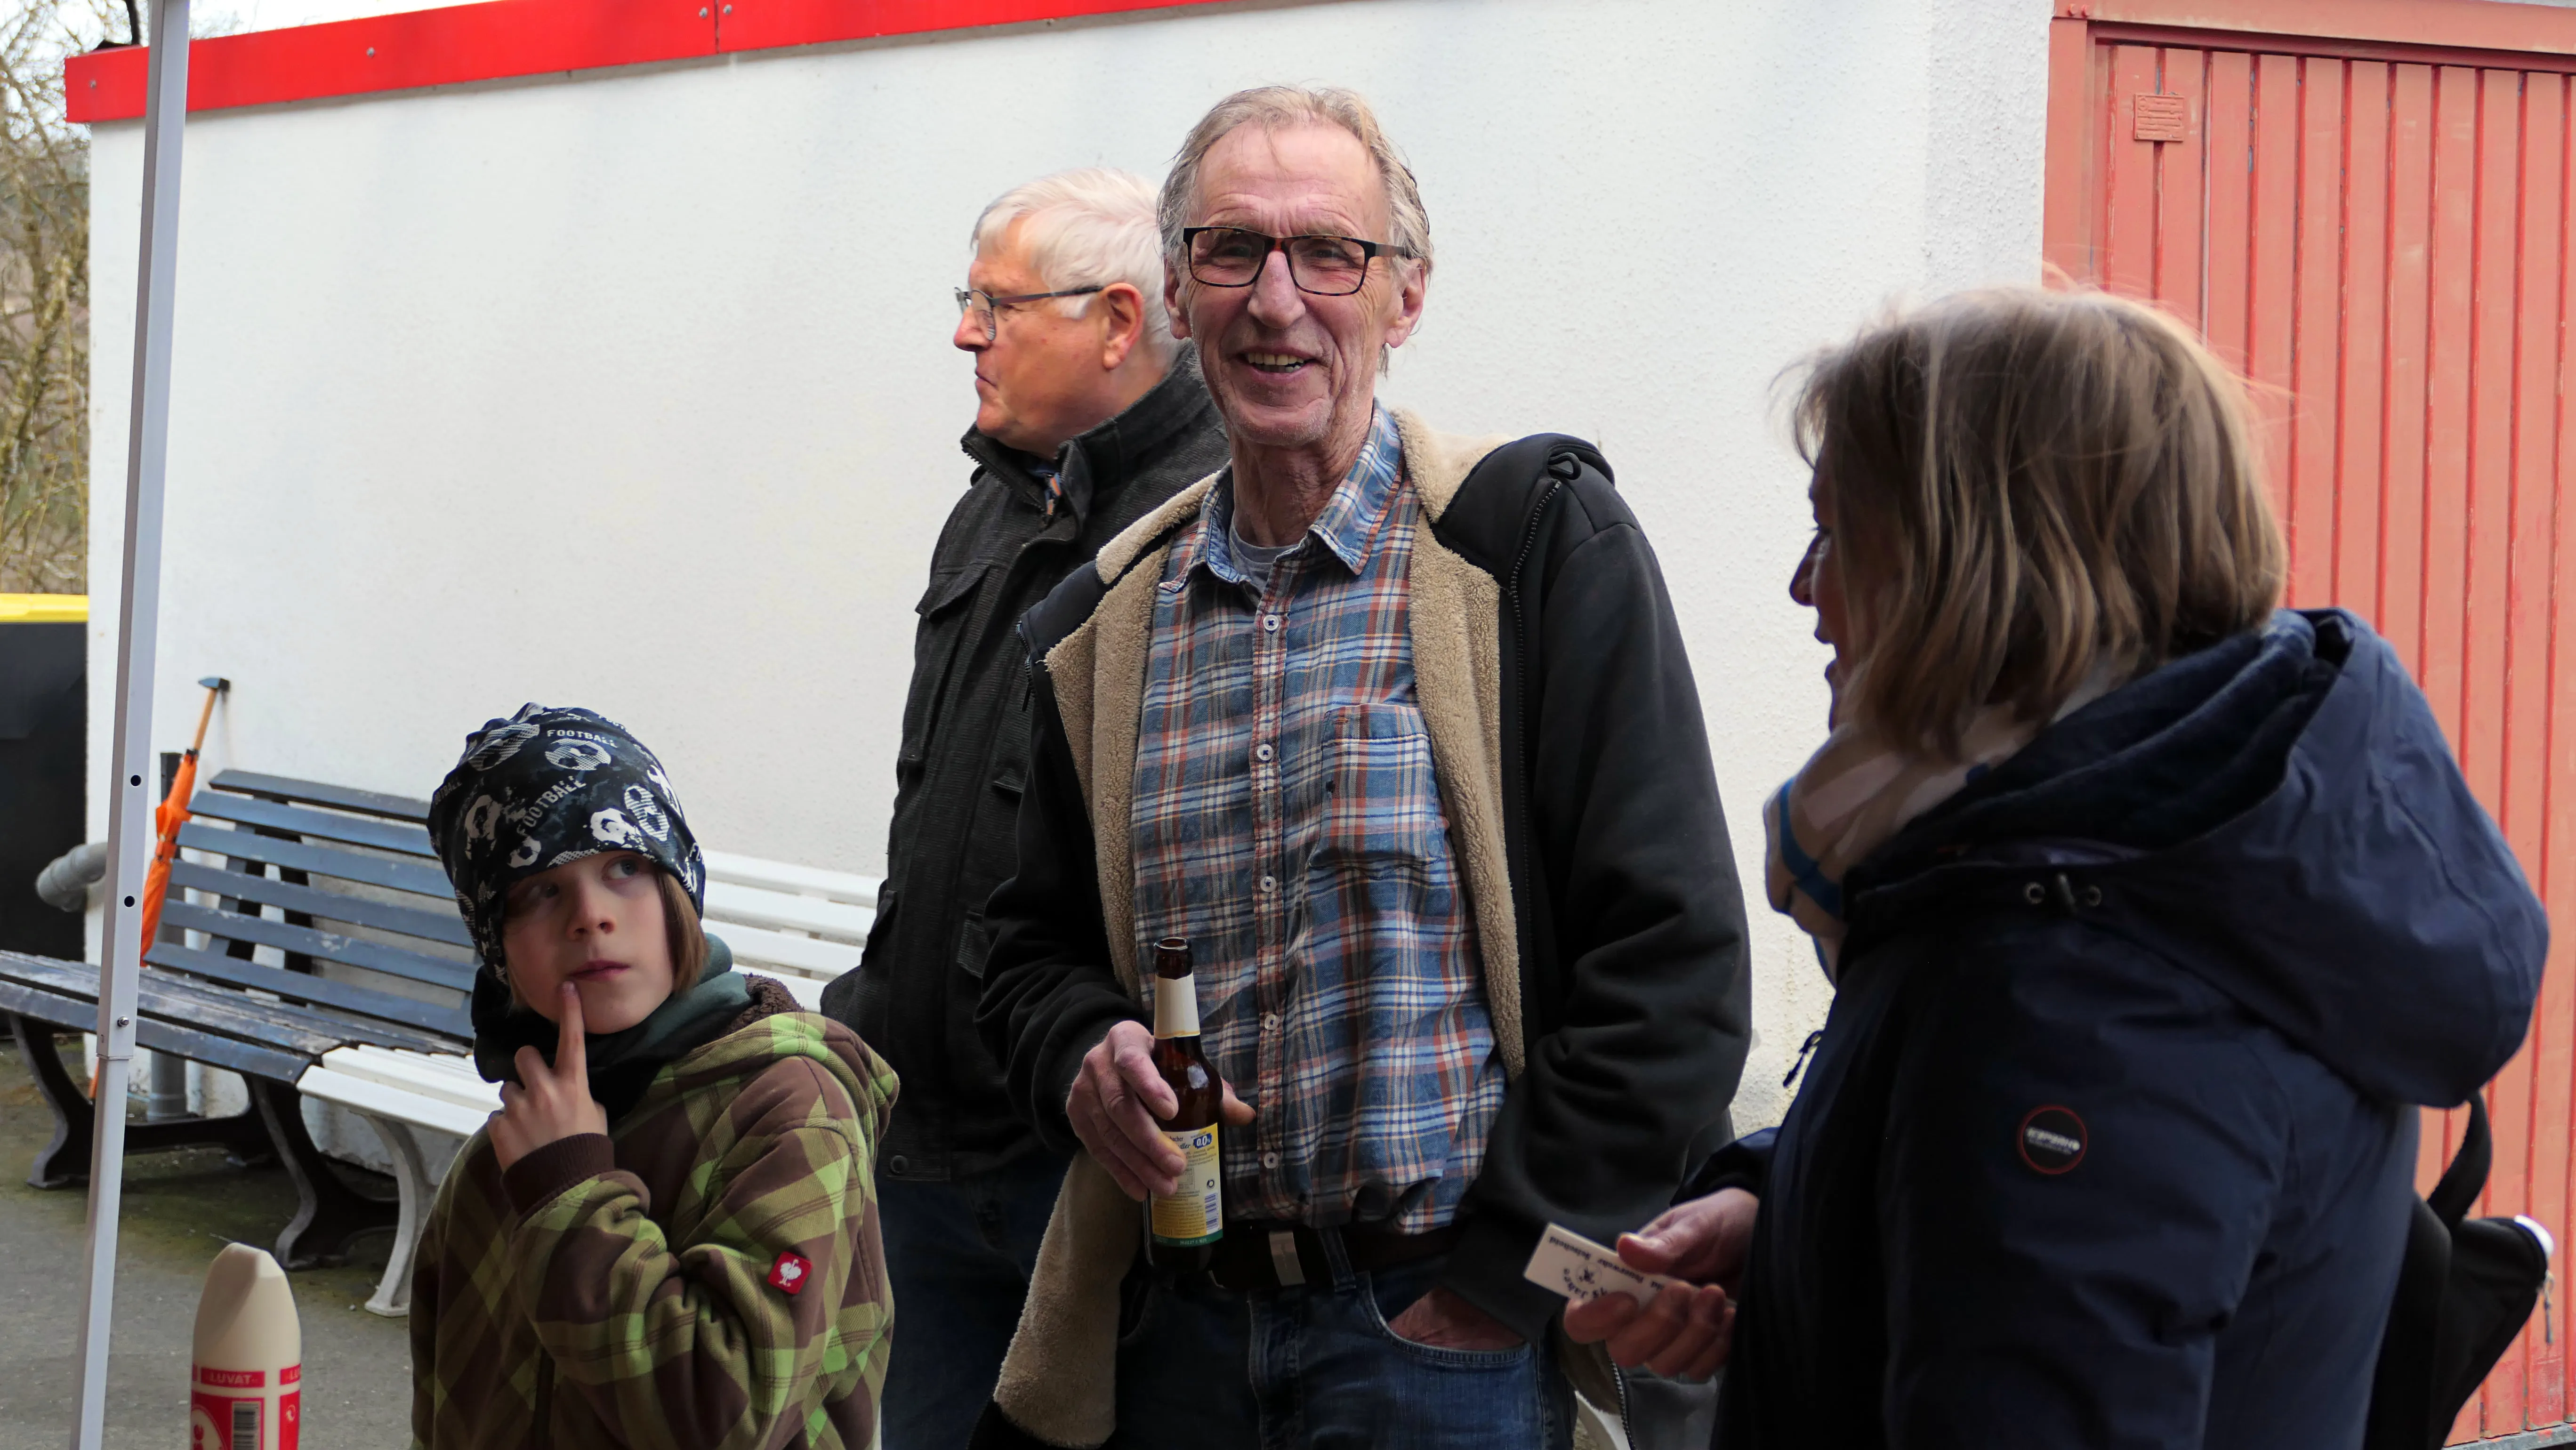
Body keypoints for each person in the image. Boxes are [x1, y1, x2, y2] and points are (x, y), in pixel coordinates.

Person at [1563, 287, 2550, 1449]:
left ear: (1969, 565)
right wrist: (1780, 1208)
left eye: (1837, 531)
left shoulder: (2081, 971)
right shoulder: (2144, 866)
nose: (1803, 588)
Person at [971, 86, 1751, 1450]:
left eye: (1330, 253)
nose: (1279, 300)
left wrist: (1495, 1286)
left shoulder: (1531, 553)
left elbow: (1673, 968)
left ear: (1407, 297)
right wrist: (1078, 1051)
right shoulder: (1103, 627)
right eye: (1232, 252)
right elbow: (1023, 950)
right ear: (1175, 289)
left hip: (1439, 1345)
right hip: (1177, 1343)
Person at [817, 167, 1228, 1449]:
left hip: (1083, 1176)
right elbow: (924, 803)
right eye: (969, 300)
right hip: (925, 1152)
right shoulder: (991, 512)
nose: (964, 333)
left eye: (996, 304)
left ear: (1117, 322)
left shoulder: (1220, 531)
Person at [412, 705, 897, 1450]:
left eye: (626, 869)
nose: (591, 916)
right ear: (497, 946)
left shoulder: (792, 1112)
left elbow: (723, 1417)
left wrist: (569, 1198)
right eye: (539, 890)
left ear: (679, 888)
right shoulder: (500, 1158)